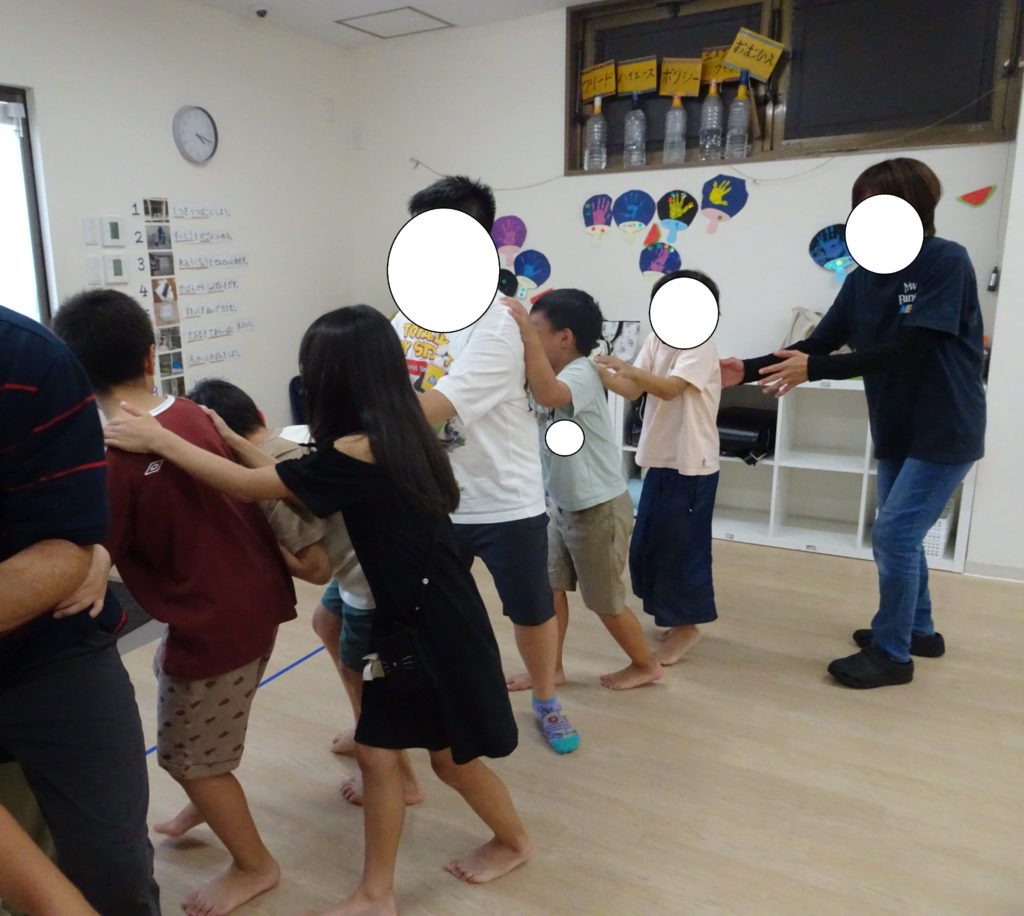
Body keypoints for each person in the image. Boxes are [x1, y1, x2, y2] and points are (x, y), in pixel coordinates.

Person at [105, 305, 534, 916]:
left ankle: (488, 851)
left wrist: (160, 440)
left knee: (444, 759)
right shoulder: (398, 429)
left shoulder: (360, 449)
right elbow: (299, 477)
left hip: (427, 623)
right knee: (400, 755)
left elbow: (250, 488)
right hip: (423, 612)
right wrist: (231, 439)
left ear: (335, 377)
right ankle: (385, 890)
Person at [53, 290, 297, 916]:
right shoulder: (192, 413)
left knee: (187, 758)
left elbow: (96, 551)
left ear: (73, 373)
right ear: (150, 354)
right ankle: (210, 797)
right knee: (186, 695)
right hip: (254, 599)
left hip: (214, 621)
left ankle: (254, 863)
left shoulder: (112, 455)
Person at [720, 158, 986, 689]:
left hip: (945, 425)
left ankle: (892, 654)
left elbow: (912, 348)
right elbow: (820, 341)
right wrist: (745, 369)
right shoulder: (863, 277)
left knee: (895, 534)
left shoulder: (945, 260)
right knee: (903, 534)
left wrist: (814, 370)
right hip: (896, 425)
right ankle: (918, 630)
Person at [392, 175, 579, 754]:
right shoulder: (410, 316)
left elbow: (434, 407)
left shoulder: (498, 322)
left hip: (503, 499)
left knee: (529, 609)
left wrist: (354, 425)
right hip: (432, 498)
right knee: (429, 612)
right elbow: (388, 380)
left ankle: (545, 699)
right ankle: (433, 704)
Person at [187, 378, 423, 806]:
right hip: (372, 565)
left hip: (370, 584)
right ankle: (366, 727)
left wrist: (258, 542)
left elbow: (316, 569)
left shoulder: (264, 482)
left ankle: (400, 776)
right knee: (325, 622)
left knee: (361, 674)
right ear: (259, 414)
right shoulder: (292, 441)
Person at [0, 305, 160, 916]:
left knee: (113, 871)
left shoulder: (28, 359)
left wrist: (82, 557)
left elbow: (71, 546)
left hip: (53, 648)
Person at [503, 290, 662, 690]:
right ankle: (551, 669)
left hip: (598, 508)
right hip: (563, 505)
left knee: (604, 601)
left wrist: (524, 335)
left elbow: (549, 395)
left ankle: (646, 665)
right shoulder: (550, 371)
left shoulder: (580, 373)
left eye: (535, 330)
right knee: (550, 589)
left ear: (565, 338)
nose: (528, 338)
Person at [595, 270, 723, 666]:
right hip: (660, 460)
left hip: (692, 464)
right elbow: (633, 389)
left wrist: (628, 368)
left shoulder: (700, 344)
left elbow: (669, 388)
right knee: (651, 546)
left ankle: (687, 627)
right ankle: (674, 618)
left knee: (682, 549)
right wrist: (597, 372)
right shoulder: (657, 339)